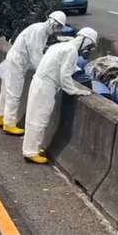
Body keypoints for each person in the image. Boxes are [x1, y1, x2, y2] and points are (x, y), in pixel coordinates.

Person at [22, 27, 99, 164]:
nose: (88, 49)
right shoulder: (72, 51)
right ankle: (30, 152)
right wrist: (74, 90)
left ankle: (31, 147)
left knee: (33, 116)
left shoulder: (61, 45)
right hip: (46, 86)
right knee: (40, 118)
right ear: (86, 41)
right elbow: (65, 74)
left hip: (39, 82)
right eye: (90, 46)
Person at [0, 11, 67, 135]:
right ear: (52, 21)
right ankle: (9, 123)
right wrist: (45, 73)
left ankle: (0, 117)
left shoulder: (41, 30)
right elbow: (36, 56)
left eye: (59, 27)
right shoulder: (39, 31)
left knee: (6, 90)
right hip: (18, 61)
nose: (57, 29)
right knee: (14, 92)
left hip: (14, 59)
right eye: (57, 26)